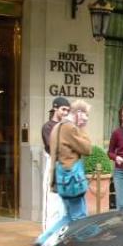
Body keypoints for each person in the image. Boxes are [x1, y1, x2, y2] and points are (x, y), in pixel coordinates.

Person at [35, 99, 92, 246]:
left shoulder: (57, 127)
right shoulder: (70, 128)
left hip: (62, 177)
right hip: (73, 178)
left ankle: (43, 238)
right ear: (78, 113)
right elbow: (87, 149)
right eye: (85, 114)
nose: (86, 118)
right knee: (79, 216)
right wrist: (83, 128)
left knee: (68, 215)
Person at [41, 97, 71, 232]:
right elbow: (51, 147)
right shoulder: (48, 126)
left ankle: (61, 235)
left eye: (67, 110)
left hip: (67, 167)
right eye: (63, 109)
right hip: (54, 166)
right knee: (51, 203)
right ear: (55, 108)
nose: (65, 113)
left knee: (64, 205)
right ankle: (47, 237)